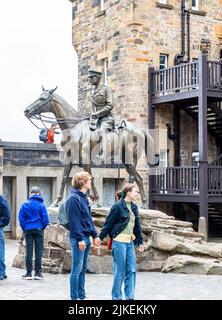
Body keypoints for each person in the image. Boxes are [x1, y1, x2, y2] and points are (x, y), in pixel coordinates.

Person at [98, 183, 144, 300]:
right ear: (128, 192)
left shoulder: (134, 207)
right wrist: (100, 237)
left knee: (132, 270)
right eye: (135, 191)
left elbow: (137, 226)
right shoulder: (117, 206)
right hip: (118, 243)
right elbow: (108, 224)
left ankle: (130, 297)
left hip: (130, 243)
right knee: (120, 271)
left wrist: (140, 242)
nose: (137, 193)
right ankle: (116, 297)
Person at [66, 171, 101, 300]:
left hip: (86, 237)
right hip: (78, 238)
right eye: (89, 180)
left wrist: (95, 235)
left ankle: (82, 296)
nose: (91, 182)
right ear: (82, 182)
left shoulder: (84, 198)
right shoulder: (73, 198)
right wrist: (80, 239)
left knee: (83, 268)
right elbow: (74, 221)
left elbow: (87, 219)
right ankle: (74, 298)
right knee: (76, 269)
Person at [18, 186, 49, 280]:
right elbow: (46, 219)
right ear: (39, 194)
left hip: (28, 229)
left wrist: (25, 228)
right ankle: (38, 273)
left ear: (30, 193)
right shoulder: (41, 205)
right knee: (39, 251)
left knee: (29, 251)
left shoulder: (25, 204)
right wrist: (41, 227)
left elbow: (21, 219)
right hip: (39, 228)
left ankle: (28, 273)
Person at [88, 69, 114, 161]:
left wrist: (98, 114)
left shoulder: (106, 89)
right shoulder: (93, 91)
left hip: (106, 118)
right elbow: (93, 107)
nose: (90, 80)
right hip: (95, 119)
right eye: (89, 78)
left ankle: (105, 154)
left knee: (102, 130)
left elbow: (110, 105)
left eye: (91, 78)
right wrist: (91, 115)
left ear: (97, 78)